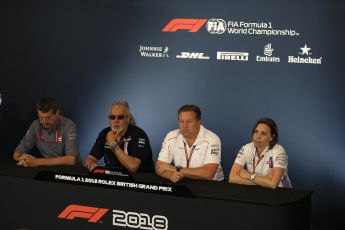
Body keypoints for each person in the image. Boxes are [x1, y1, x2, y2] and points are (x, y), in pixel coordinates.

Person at [155, 104, 224, 183]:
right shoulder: (171, 136)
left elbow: (208, 174)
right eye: (181, 121)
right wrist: (169, 175)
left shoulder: (212, 139)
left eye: (189, 121)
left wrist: (175, 169)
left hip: (212, 184)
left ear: (199, 122)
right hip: (183, 180)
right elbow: (159, 166)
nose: (184, 126)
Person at [85, 100, 154, 173]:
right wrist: (92, 165)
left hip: (139, 180)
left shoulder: (139, 135)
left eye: (120, 117)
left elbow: (133, 167)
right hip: (113, 179)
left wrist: (112, 144)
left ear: (128, 118)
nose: (116, 120)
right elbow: (90, 159)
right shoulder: (105, 133)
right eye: (112, 117)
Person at [13, 97, 80, 167]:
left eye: (48, 117)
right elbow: (19, 151)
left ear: (57, 113)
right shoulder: (35, 125)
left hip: (68, 170)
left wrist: (38, 161)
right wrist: (22, 158)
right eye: (41, 117)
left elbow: (71, 160)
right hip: (46, 168)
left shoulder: (69, 125)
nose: (44, 122)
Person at [228, 118, 291, 189]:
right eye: (256, 132)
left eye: (263, 134)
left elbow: (273, 184)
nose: (258, 137)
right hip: (257, 190)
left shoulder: (279, 151)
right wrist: (264, 180)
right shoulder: (246, 148)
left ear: (272, 137)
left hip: (280, 192)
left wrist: (249, 176)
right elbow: (232, 178)